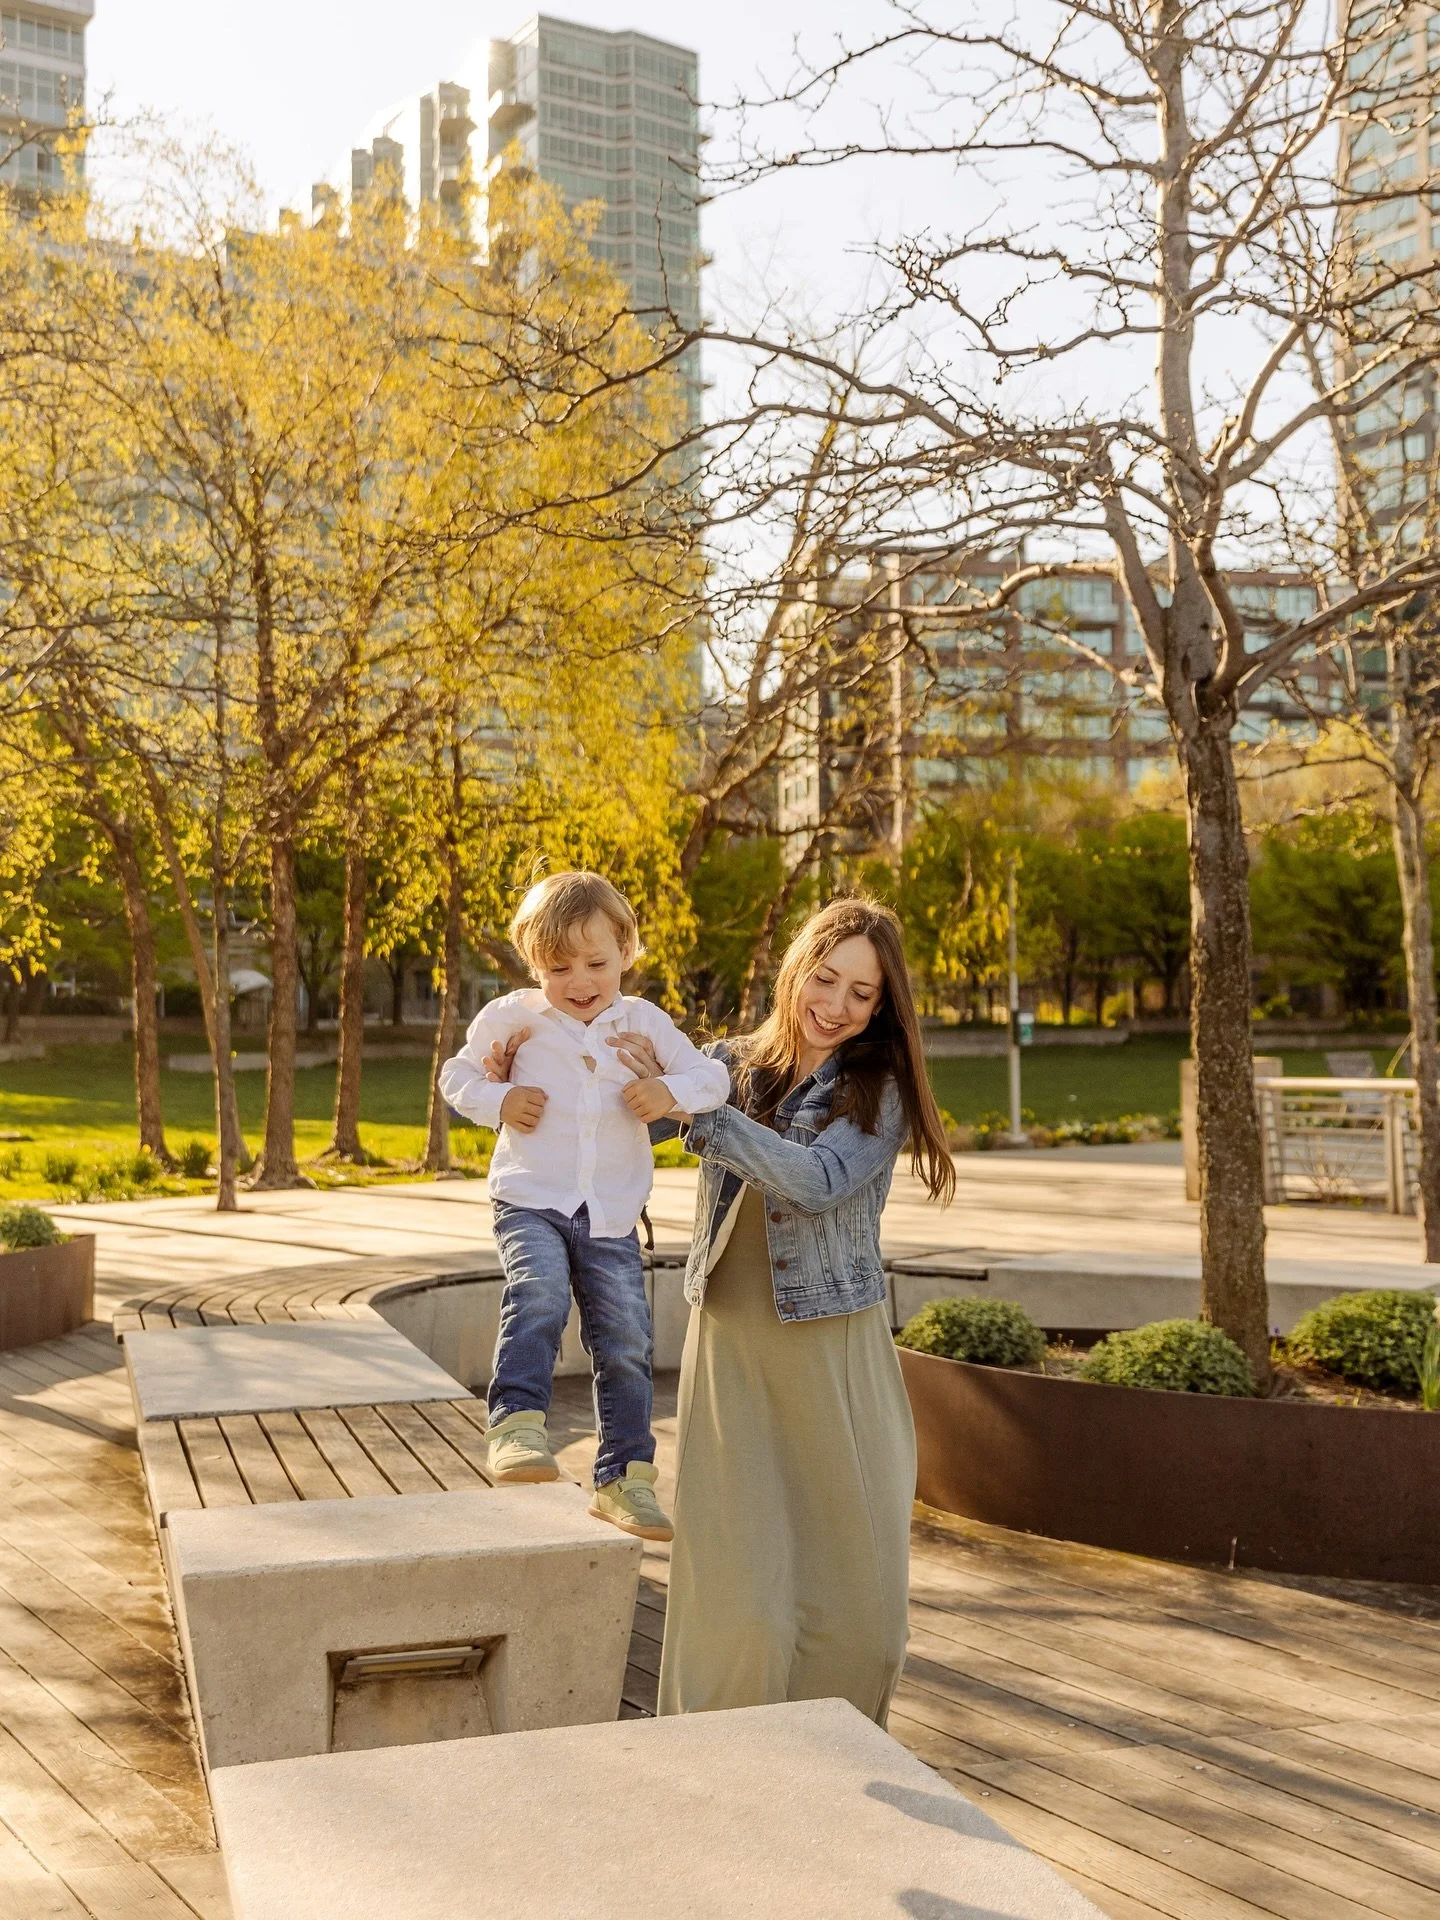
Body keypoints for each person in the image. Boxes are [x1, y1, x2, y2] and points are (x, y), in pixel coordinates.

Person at [611, 897, 955, 1725]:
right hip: (733, 1352)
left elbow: (816, 1181)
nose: (835, 1005)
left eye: (862, 994)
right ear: (797, 969)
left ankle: (832, 1755)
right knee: (736, 1605)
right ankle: (716, 1766)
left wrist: (701, 1114)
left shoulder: (880, 1092)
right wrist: (542, 1050)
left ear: (883, 1006)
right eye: (826, 978)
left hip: (836, 1354)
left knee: (863, 1614)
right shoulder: (727, 1064)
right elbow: (613, 1108)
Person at [438, 870, 730, 1541]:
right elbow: (456, 1075)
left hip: (611, 1216)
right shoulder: (515, 1017)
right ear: (532, 965)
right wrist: (498, 1101)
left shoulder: (644, 1022)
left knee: (626, 1342)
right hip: (530, 1199)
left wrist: (666, 1090)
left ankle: (624, 1479)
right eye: (557, 966)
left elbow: (712, 1077)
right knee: (537, 1291)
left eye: (596, 962)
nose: (578, 980)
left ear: (627, 952)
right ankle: (515, 1427)